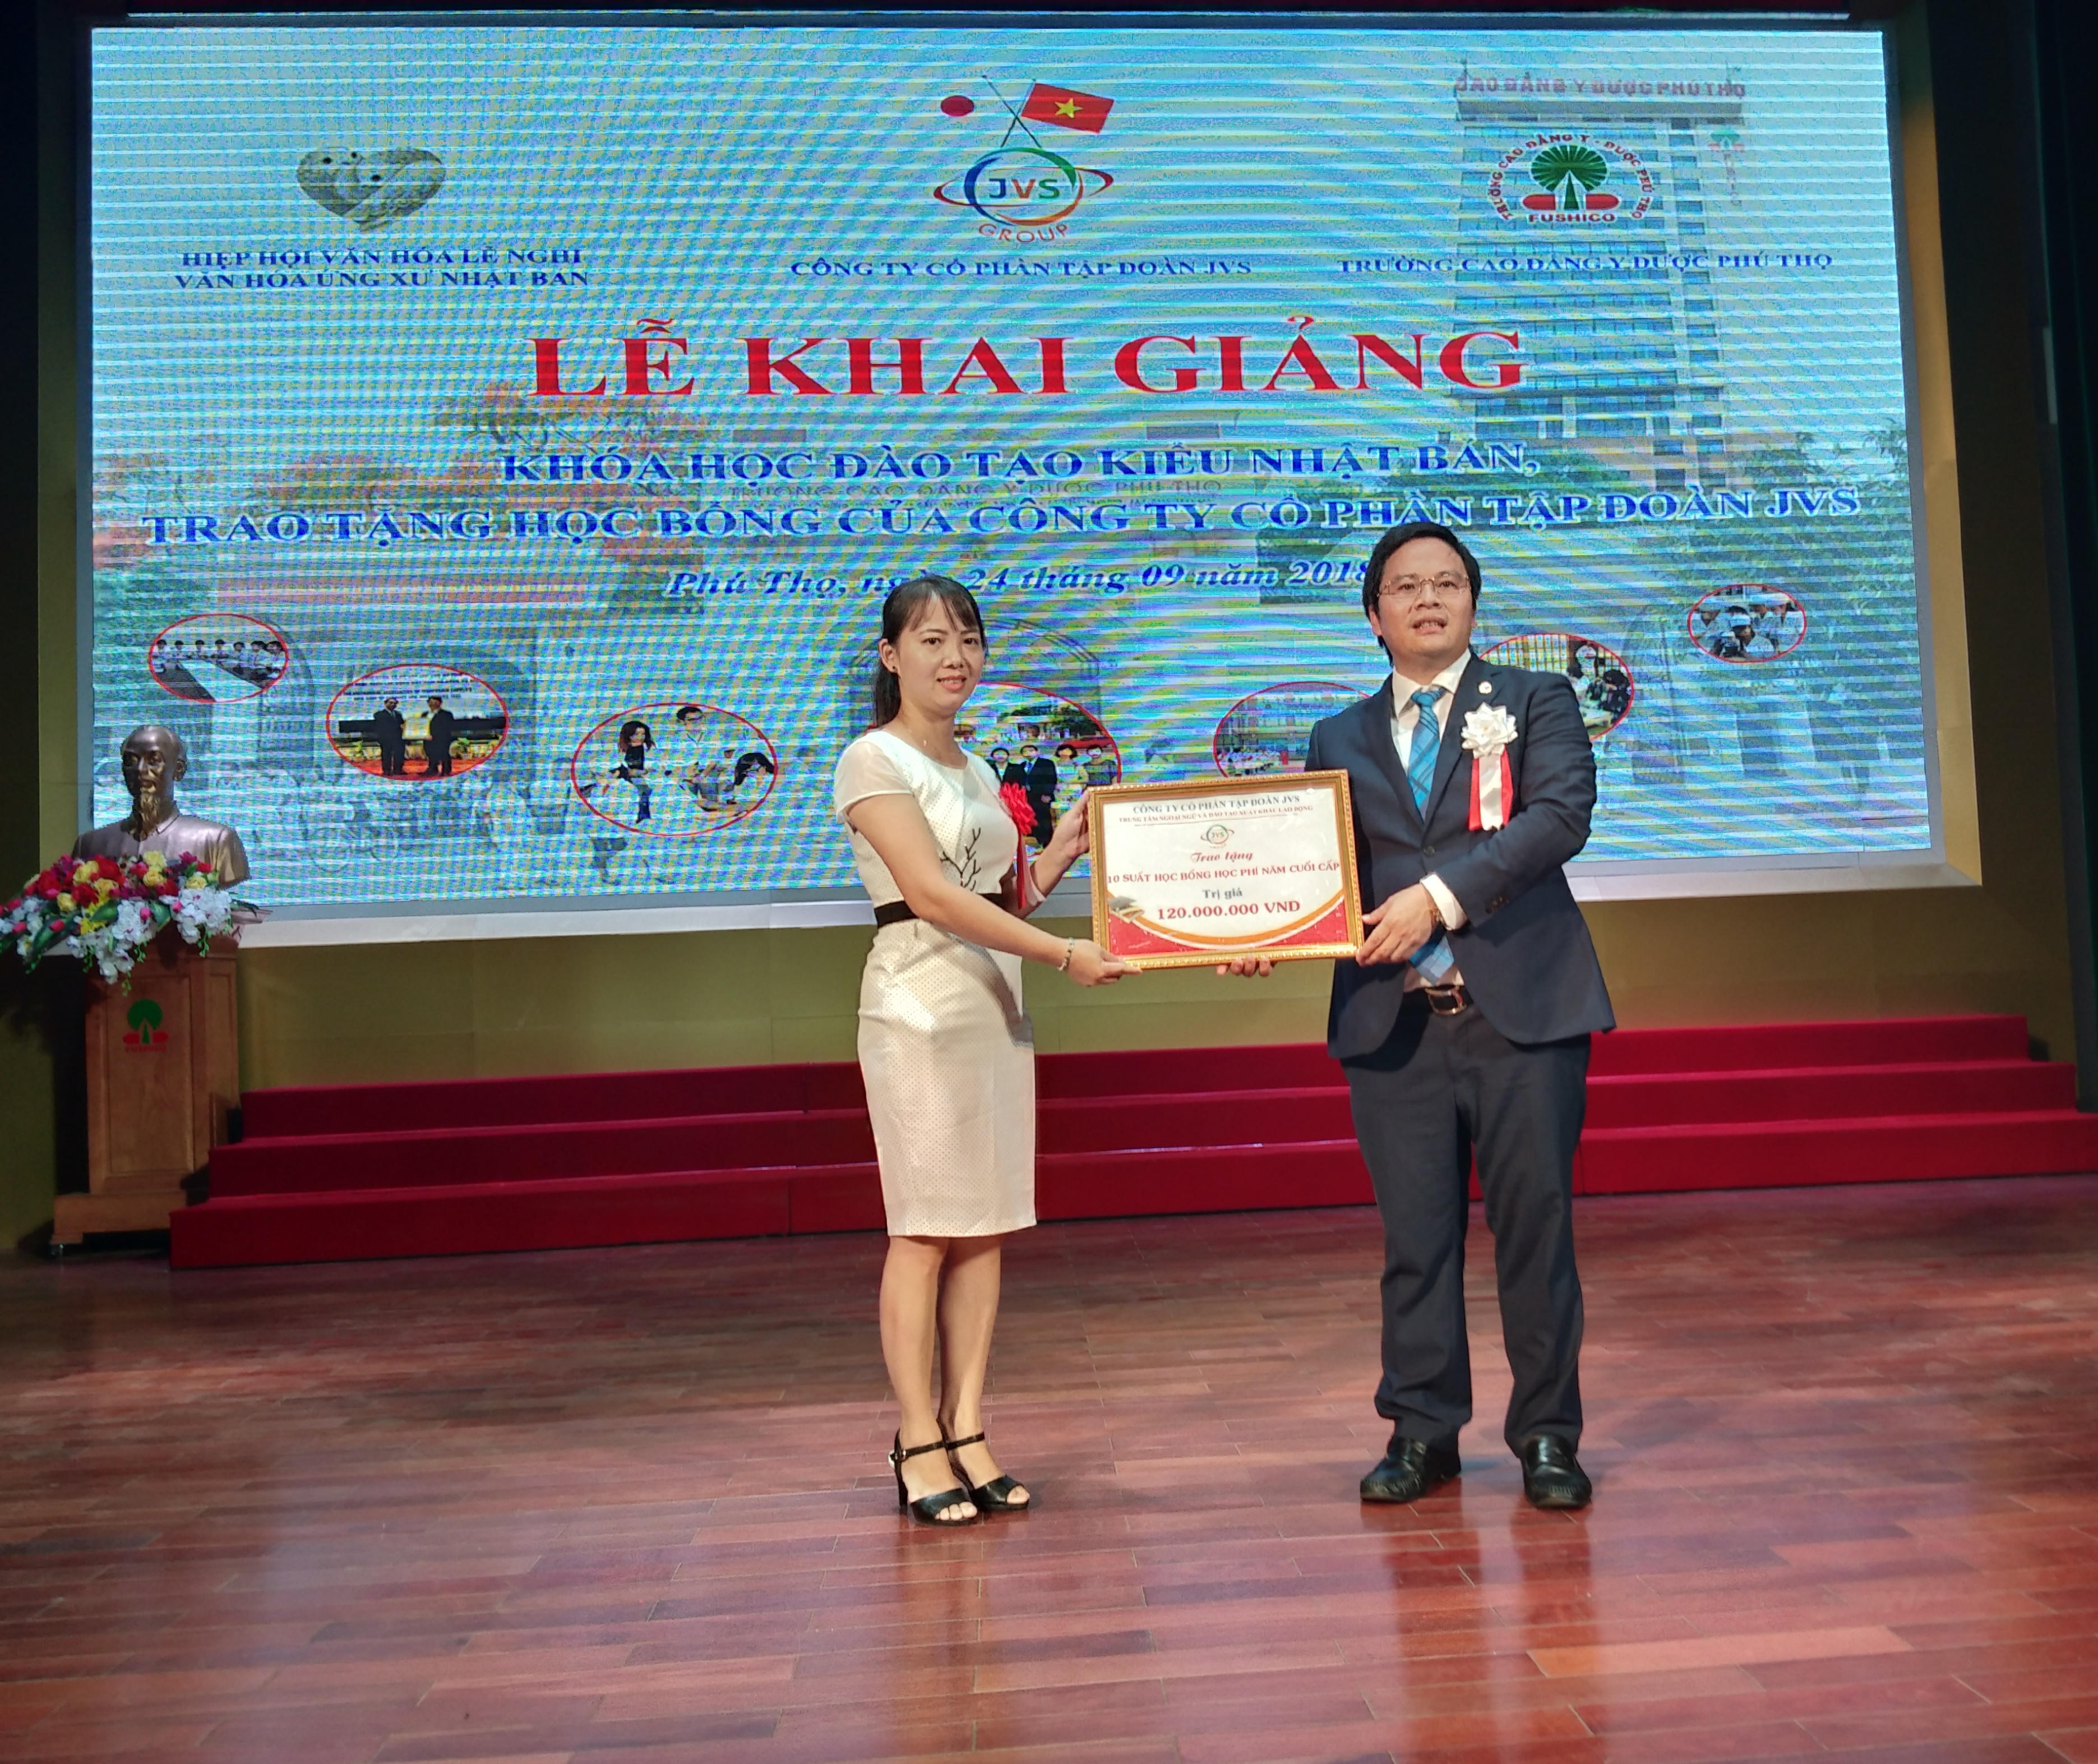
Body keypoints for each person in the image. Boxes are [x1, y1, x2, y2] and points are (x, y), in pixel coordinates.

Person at [1224, 520, 1614, 1510]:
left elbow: (1557, 818)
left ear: (1473, 603)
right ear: (1374, 615)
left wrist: (1436, 901)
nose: (1428, 599)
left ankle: (1547, 1437)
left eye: (1447, 583)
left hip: (1520, 1012)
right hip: (1391, 1023)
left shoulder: (1535, 700)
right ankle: (1421, 1430)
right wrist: (1259, 926)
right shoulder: (1337, 736)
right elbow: (1318, 871)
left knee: (1536, 1231)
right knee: (1415, 1239)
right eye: (1405, 586)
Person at [835, 574, 1129, 1526]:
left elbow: (1001, 898)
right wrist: (1064, 955)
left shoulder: (974, 765)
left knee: (984, 1224)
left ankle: (967, 1428)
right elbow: (929, 895)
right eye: (930, 640)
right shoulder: (872, 759)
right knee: (924, 1226)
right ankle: (916, 1436)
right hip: (919, 1007)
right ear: (891, 657)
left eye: (967, 638)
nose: (954, 656)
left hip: (993, 1006)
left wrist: (1063, 852)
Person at [371, 697, 408, 777]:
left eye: (395, 703)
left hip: (398, 738)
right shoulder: (379, 714)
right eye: (391, 703)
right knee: (387, 755)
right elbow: (379, 727)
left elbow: (402, 725)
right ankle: (387, 771)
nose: (393, 704)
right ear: (386, 703)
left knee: (399, 755)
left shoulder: (398, 714)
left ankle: (398, 770)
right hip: (386, 739)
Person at [424, 695, 458, 778]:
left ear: (440, 703)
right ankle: (433, 769)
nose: (433, 704)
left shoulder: (447, 714)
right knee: (431, 754)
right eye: (431, 702)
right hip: (427, 739)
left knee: (444, 754)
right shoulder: (425, 714)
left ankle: (446, 770)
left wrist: (434, 735)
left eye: (435, 702)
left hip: (442, 739)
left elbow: (446, 727)